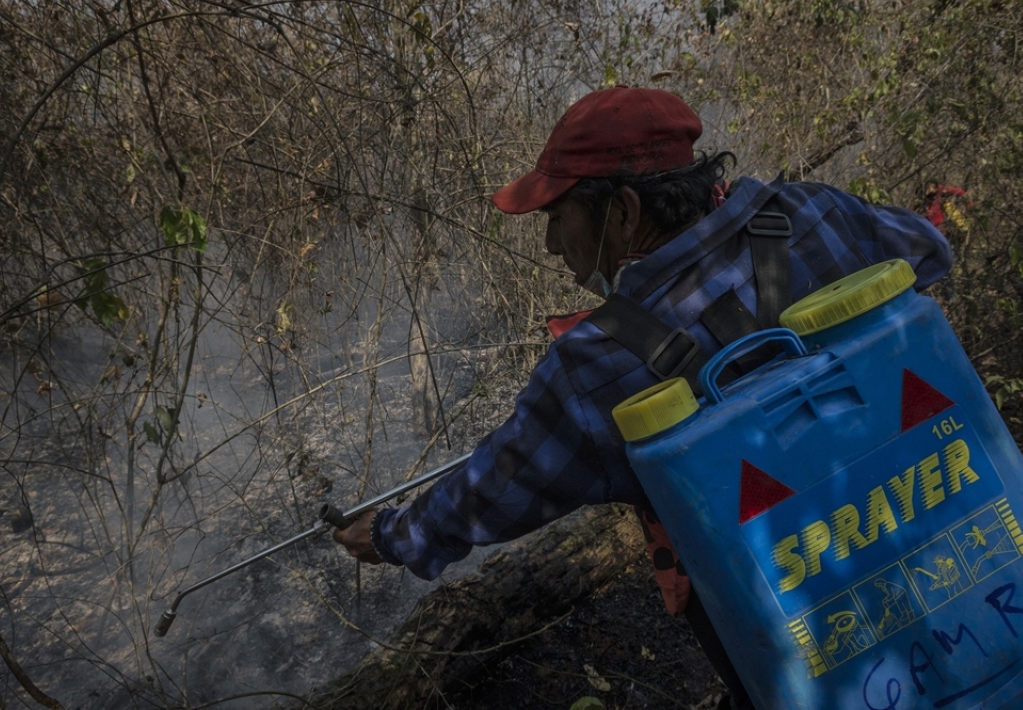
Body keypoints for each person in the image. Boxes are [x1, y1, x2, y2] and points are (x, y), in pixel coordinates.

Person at [334, 86, 952, 709]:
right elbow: (928, 253)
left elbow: (497, 485)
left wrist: (389, 535)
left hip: (782, 627)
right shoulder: (812, 213)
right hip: (938, 534)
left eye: (558, 217)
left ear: (625, 211)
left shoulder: (595, 365)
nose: (551, 244)